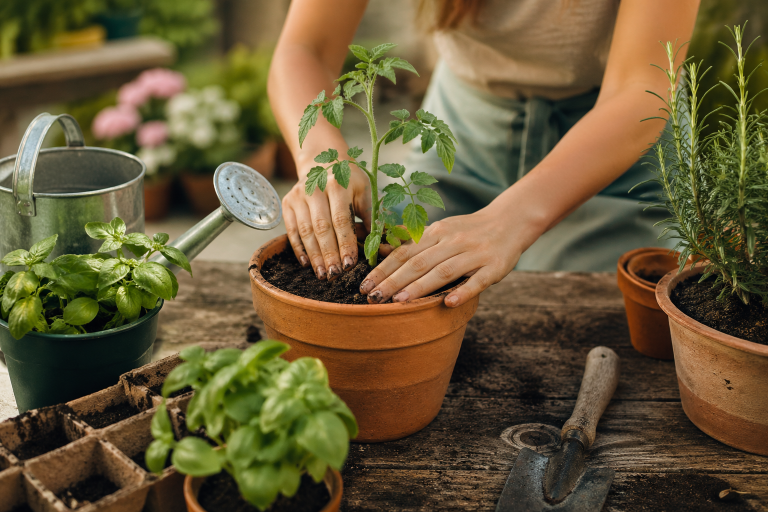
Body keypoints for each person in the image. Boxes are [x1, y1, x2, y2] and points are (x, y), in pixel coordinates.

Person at [268, 0, 700, 307]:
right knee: (399, 271)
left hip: (618, 147)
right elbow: (305, 47)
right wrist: (322, 158)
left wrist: (509, 220)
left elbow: (638, 89)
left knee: (600, 310)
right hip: (466, 125)